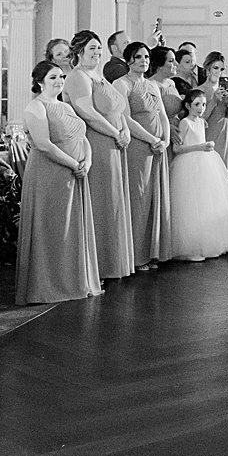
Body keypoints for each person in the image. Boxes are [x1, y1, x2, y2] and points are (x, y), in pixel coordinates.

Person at [16, 61, 101, 305]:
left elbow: (82, 136)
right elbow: (43, 144)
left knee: (70, 227)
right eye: (53, 77)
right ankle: (48, 285)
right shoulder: (36, 106)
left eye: (61, 77)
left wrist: (88, 161)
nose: (59, 81)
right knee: (53, 226)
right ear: (40, 81)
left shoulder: (65, 106)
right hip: (50, 173)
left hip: (75, 172)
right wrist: (74, 165)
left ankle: (73, 279)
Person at [65, 29, 135, 280]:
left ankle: (116, 262)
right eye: (92, 48)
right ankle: (101, 266)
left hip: (115, 142)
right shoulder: (78, 77)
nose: (96, 52)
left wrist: (124, 129)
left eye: (98, 48)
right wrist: (115, 132)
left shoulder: (99, 75)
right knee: (103, 201)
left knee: (115, 200)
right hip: (98, 142)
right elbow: (89, 113)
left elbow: (118, 108)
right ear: (79, 52)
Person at [168, 89, 228, 260]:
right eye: (197, 104)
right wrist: (200, 147)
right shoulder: (185, 123)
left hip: (205, 162)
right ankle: (189, 248)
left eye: (204, 104)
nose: (201, 108)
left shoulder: (201, 122)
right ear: (188, 105)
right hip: (188, 164)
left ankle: (205, 243)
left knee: (205, 202)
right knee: (190, 205)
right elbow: (177, 148)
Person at [114, 42, 170, 271]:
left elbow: (163, 114)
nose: (143, 60)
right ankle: (137, 256)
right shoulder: (121, 84)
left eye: (146, 57)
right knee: (139, 198)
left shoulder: (152, 85)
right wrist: (150, 139)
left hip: (159, 148)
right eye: (138, 57)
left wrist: (165, 140)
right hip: (139, 146)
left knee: (156, 197)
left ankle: (154, 252)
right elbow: (125, 118)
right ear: (129, 60)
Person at [196, 51, 228, 206]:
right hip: (209, 133)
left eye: (222, 69)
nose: (219, 72)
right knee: (212, 175)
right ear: (207, 70)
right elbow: (198, 119)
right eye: (215, 68)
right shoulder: (199, 91)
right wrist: (213, 101)